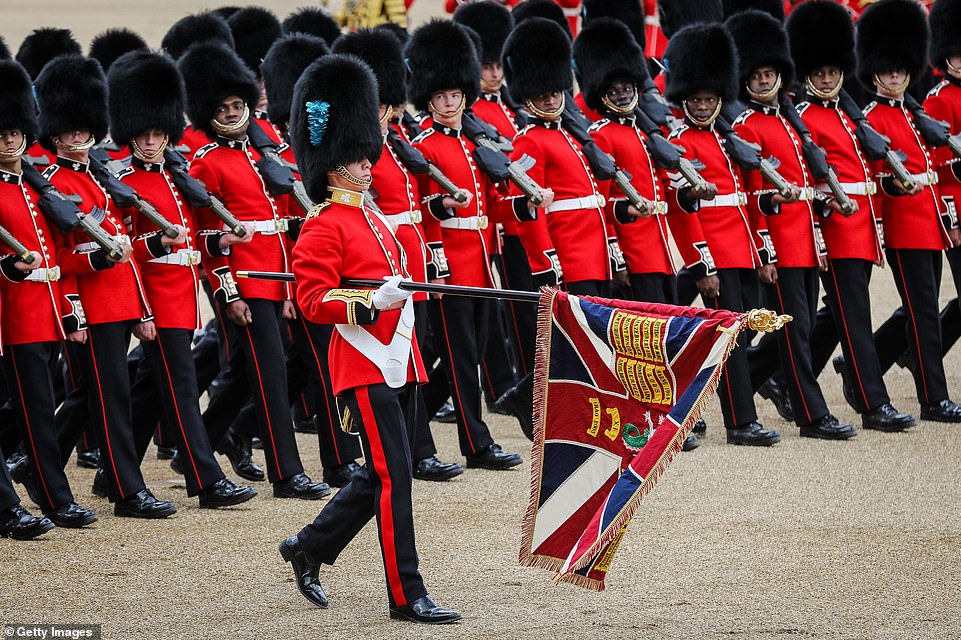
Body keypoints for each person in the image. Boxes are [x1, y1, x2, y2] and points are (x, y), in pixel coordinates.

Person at [279, 54, 461, 624]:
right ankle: (406, 594)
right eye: (358, 156)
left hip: (399, 359)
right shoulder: (321, 224)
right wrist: (366, 300)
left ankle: (309, 546)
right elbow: (313, 301)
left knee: (383, 471)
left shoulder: (374, 217)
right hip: (362, 363)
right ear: (333, 166)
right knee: (394, 477)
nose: (368, 162)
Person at [178, 41, 330, 499]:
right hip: (246, 279)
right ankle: (286, 473)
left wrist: (292, 284)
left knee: (260, 370)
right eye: (222, 108)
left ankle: (212, 437)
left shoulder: (265, 155)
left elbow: (285, 226)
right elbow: (211, 242)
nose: (231, 113)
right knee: (269, 373)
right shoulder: (207, 163)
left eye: (237, 105)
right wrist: (230, 295)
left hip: (281, 276)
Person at [107, 49, 257, 508]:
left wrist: (218, 244)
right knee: (183, 387)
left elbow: (194, 240)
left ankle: (112, 475)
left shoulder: (175, 177)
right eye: (144, 134)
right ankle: (206, 479)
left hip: (183, 296)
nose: (152, 141)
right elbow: (128, 253)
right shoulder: (124, 182)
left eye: (159, 133)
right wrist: (143, 310)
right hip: (153, 298)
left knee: (154, 388)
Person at [36, 54, 177, 518]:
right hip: (92, 306)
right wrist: (76, 304)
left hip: (119, 304)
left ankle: (34, 465)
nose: (79, 137)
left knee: (101, 396)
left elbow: (128, 255)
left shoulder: (97, 176)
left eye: (84, 130)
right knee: (109, 400)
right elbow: (60, 258)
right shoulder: (53, 185)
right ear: (55, 135)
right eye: (70, 132)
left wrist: (141, 311)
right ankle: (127, 490)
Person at [331, 28, 465, 481]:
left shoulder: (395, 146)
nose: (387, 114)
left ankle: (415, 447)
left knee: (418, 353)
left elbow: (418, 211)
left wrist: (435, 261)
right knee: (399, 355)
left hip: (411, 257)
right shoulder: (362, 153)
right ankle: (412, 449)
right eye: (381, 107)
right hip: (385, 266)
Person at [573, 17, 705, 451]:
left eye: (628, 85)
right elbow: (607, 205)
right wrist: (621, 254)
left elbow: (668, 193)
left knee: (668, 339)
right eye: (615, 88)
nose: (624, 92)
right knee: (643, 346)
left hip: (662, 248)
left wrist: (688, 194)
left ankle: (672, 413)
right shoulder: (603, 137)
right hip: (636, 251)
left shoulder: (648, 132)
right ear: (602, 94)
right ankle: (654, 420)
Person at [727, 9, 858, 440]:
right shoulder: (747, 126)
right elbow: (752, 198)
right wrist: (766, 251)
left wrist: (819, 240)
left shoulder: (787, 120)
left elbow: (804, 188)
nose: (765, 81)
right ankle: (811, 414)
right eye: (757, 76)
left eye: (770, 74)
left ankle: (743, 375)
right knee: (796, 330)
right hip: (780, 243)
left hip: (804, 240)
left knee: (795, 330)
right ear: (746, 80)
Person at [786, 0, 916, 433]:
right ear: (807, 75)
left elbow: (864, 173)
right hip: (835, 229)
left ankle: (771, 373)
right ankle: (871, 402)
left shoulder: (846, 114)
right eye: (818, 72)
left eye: (831, 71)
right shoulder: (804, 118)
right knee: (855, 318)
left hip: (860, 227)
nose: (825, 78)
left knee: (837, 316)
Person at [406, 20, 523, 470]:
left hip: (480, 258)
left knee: (471, 351)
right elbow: (422, 209)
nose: (450, 103)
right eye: (441, 97)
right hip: (451, 261)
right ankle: (477, 445)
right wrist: (437, 255)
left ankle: (418, 423)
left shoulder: (476, 145)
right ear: (430, 100)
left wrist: (522, 204)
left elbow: (494, 204)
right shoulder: (426, 147)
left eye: (456, 95)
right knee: (461, 355)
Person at [662, 22, 780, 446]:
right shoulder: (679, 144)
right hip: (715, 255)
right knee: (726, 344)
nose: (702, 105)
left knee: (737, 339)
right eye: (695, 99)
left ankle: (694, 411)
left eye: (710, 99)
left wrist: (763, 252)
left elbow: (748, 203)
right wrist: (700, 264)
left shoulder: (727, 140)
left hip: (742, 251)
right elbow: (682, 212)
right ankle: (740, 422)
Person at [0, 58, 95, 528]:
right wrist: (8, 267)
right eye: (2, 134)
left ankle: (30, 473)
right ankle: (55, 496)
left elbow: (61, 255)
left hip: (49, 311)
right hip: (15, 315)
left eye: (15, 131)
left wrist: (71, 312)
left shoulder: (37, 189)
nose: (10, 140)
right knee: (35, 410)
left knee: (35, 405)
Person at [856, 0, 961, 422]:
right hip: (902, 226)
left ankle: (925, 391)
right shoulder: (870, 118)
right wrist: (880, 229)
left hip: (928, 222)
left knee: (925, 313)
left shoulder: (912, 113)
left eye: (902, 68)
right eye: (889, 68)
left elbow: (932, 170)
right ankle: (934, 399)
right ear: (875, 71)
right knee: (922, 315)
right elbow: (874, 181)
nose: (897, 74)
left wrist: (946, 220)